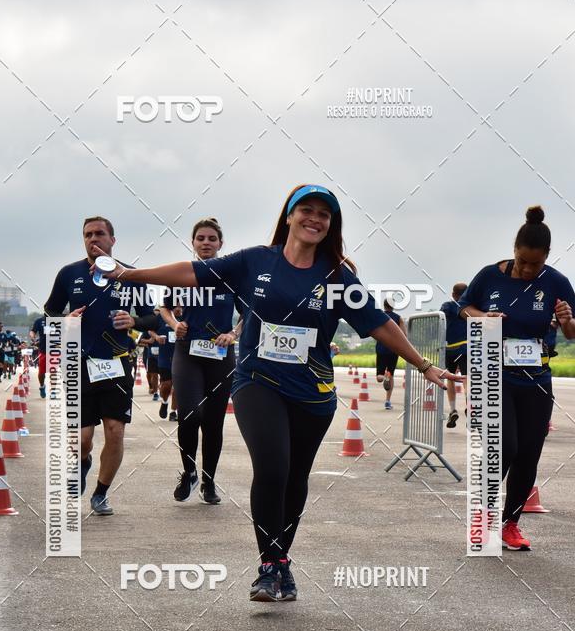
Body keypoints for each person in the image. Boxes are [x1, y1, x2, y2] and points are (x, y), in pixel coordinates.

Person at [99, 185, 457, 599]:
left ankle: (280, 560)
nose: (315, 219)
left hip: (313, 391)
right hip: (257, 381)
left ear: (331, 225)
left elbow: (378, 323)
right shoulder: (255, 261)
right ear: (288, 216)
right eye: (306, 210)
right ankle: (268, 565)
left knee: (294, 478)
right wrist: (128, 273)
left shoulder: (338, 275)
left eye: (325, 214)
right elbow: (190, 273)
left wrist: (424, 365)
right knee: (272, 467)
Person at [458, 205, 575, 551]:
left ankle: (510, 523)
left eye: (534, 264)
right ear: (514, 250)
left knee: (529, 453)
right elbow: (464, 307)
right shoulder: (489, 276)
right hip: (495, 375)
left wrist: (568, 319)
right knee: (503, 445)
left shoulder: (556, 282)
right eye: (522, 261)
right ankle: (483, 515)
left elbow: (571, 333)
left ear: (547, 257)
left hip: (537, 378)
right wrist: (484, 315)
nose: (526, 269)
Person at [44, 216, 155, 515]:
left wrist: (134, 321)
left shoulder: (132, 275)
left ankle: (101, 493)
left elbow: (152, 317)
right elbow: (50, 310)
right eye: (88, 234)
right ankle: (82, 462)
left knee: (115, 432)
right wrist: (64, 321)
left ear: (112, 240)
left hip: (118, 364)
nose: (94, 239)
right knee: (82, 439)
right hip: (80, 364)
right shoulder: (69, 274)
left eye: (100, 234)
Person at [159, 218, 240, 505]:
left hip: (220, 355)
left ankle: (209, 481)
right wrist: (173, 323)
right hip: (187, 351)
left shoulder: (231, 277)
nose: (206, 242)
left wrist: (232, 333)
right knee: (190, 414)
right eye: (200, 238)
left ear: (220, 244)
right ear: (192, 243)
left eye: (212, 239)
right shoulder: (182, 274)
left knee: (214, 423)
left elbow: (249, 313)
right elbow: (164, 307)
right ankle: (189, 472)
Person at [440, 282, 468, 427]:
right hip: (467, 347)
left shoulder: (447, 306)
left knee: (450, 378)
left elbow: (440, 322)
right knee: (466, 378)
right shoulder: (470, 307)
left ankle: (452, 409)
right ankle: (470, 405)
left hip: (450, 348)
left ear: (453, 294)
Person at [375, 298, 406, 409]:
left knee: (379, 377)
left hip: (381, 347)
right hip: (393, 349)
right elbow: (404, 335)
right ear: (393, 305)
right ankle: (388, 401)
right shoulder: (398, 318)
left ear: (383, 305)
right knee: (391, 374)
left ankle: (382, 376)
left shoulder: (378, 315)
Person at [148, 317, 178, 421]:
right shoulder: (161, 318)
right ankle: (164, 402)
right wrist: (156, 337)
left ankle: (173, 412)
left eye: (180, 306)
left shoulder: (185, 316)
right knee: (167, 385)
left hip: (180, 357)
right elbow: (150, 330)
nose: (178, 309)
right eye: (176, 306)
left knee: (178, 387)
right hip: (164, 357)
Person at [30, 315, 48, 397]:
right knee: (41, 372)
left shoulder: (58, 319)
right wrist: (32, 336)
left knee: (54, 371)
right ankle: (42, 386)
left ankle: (54, 390)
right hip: (43, 350)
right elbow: (33, 331)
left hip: (55, 349)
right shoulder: (39, 321)